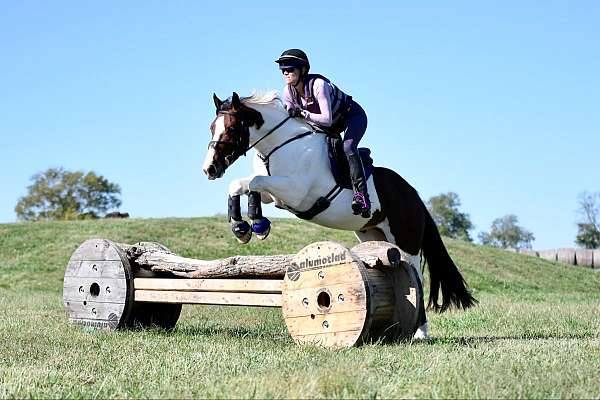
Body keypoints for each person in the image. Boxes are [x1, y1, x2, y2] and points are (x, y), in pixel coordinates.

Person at [275, 49, 371, 218]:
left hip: (351, 116)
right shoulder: (288, 92)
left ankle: (362, 196)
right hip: (330, 126)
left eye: (290, 69)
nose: (285, 72)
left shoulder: (318, 85)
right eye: (283, 69)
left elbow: (327, 119)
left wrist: (303, 114)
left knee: (347, 146)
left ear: (303, 70)